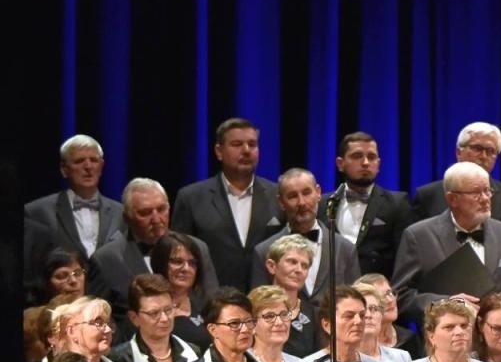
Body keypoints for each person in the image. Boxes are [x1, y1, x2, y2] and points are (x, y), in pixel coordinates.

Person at [392, 161, 501, 324]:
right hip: (441, 340)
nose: (485, 199)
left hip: (500, 338)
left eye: (488, 191)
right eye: (476, 192)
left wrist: (500, 305)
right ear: (452, 199)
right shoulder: (418, 236)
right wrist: (445, 305)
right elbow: (401, 296)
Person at [171, 117, 281, 291]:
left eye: (252, 144)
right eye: (237, 144)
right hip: (212, 303)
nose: (246, 150)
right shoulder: (191, 198)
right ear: (219, 151)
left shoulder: (277, 195)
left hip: (267, 305)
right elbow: (179, 256)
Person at [89, 179, 219, 313]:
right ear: (127, 217)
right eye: (145, 213)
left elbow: (213, 304)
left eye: (161, 209)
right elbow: (96, 316)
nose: (156, 219)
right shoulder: (105, 259)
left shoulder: (197, 247)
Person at [23, 134, 125, 285]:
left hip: (109, 304)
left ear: (101, 166)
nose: (88, 167)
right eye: (79, 161)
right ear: (64, 169)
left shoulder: (122, 213)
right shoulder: (36, 212)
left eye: (94, 160)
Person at [248, 168, 360, 298]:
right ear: (281, 202)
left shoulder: (345, 249)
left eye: (307, 193)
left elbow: (355, 302)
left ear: (318, 192)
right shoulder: (264, 252)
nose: (301, 202)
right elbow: (259, 305)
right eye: (292, 196)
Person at [324, 131, 414, 279]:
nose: (365, 163)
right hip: (332, 292)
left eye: (371, 157)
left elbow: (405, 260)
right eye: (357, 156)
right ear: (340, 164)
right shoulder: (323, 203)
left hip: (378, 294)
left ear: (378, 164)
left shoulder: (397, 203)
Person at [411, 122, 501, 224]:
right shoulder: (428, 195)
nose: (484, 156)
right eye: (477, 148)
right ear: (458, 152)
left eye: (490, 151)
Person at [259, 235, 321, 358]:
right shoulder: (253, 308)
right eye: (292, 262)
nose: (299, 270)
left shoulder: (315, 315)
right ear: (272, 266)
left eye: (304, 266)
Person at [151, 232, 215, 350]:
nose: (186, 268)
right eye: (177, 261)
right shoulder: (149, 310)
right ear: (160, 263)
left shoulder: (206, 305)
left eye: (192, 263)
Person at [354, 280, 414, 362]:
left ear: (381, 314)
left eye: (374, 309)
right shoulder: (339, 361)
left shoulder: (402, 357)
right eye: (363, 310)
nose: (368, 315)